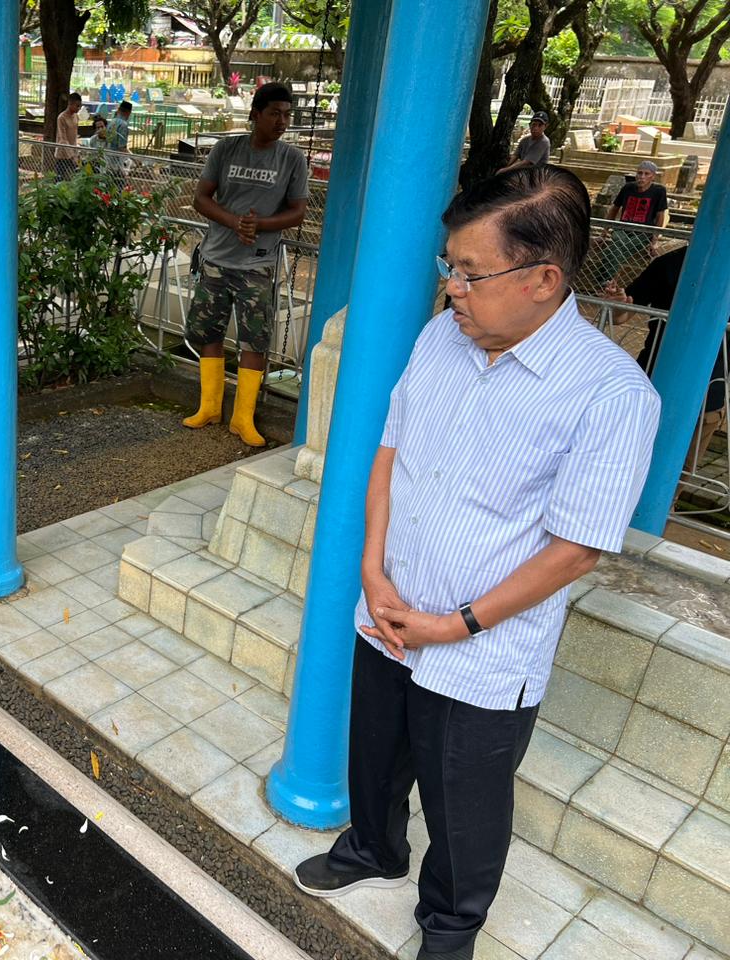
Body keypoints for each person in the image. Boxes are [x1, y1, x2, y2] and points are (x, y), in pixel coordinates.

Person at [292, 165, 660, 960]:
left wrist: (453, 624)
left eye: (470, 272)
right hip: (391, 610)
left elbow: (575, 549)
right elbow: (389, 455)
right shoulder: (440, 338)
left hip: (483, 650)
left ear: (542, 279)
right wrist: (373, 572)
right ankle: (374, 848)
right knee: (376, 753)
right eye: (448, 268)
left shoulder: (611, 395)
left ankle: (450, 927)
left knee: (465, 800)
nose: (453, 287)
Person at [182, 81, 308, 446]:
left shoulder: (292, 159)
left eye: (287, 114)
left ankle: (242, 418)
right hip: (217, 258)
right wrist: (234, 222)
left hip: (258, 263)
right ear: (255, 115)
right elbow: (201, 199)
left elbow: (298, 212)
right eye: (274, 114)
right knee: (209, 333)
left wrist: (259, 226)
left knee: (255, 339)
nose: (282, 121)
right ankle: (209, 408)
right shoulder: (227, 148)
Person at [604, 246, 727, 478]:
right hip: (652, 379)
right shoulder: (669, 264)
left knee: (681, 474)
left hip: (709, 394)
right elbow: (622, 314)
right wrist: (617, 303)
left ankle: (667, 508)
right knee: (624, 463)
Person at [600, 159, 669, 282]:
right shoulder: (628, 188)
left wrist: (654, 240)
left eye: (646, 174)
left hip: (643, 232)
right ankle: (607, 282)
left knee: (617, 247)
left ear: (652, 176)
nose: (642, 177)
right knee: (617, 242)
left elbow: (660, 216)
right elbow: (614, 209)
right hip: (622, 229)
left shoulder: (658, 191)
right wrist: (604, 231)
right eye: (639, 173)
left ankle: (606, 281)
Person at [55, 91, 82, 180]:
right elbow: (63, 138)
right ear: (70, 104)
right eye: (77, 106)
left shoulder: (76, 117)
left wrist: (76, 153)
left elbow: (75, 135)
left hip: (73, 152)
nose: (78, 108)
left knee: (75, 178)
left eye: (80, 106)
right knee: (60, 178)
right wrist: (71, 155)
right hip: (62, 154)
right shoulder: (61, 118)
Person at [106, 100, 132, 170]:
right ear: (128, 113)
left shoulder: (111, 122)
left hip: (107, 158)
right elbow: (122, 147)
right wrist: (134, 157)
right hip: (116, 162)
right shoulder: (123, 125)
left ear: (118, 110)